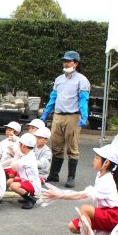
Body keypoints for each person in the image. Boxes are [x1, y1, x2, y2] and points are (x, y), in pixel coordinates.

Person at [42, 144, 118, 235]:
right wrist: (59, 195)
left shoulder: (107, 180)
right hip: (105, 213)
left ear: (106, 163)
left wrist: (59, 195)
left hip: (114, 216)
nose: (94, 160)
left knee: (85, 209)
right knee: (72, 227)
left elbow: (82, 195)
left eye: (97, 158)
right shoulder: (100, 175)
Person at [40, 50, 90, 188]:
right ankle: (54, 175)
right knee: (56, 145)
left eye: (68, 61)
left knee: (72, 147)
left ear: (76, 63)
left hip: (72, 116)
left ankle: (70, 177)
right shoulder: (59, 79)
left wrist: (84, 116)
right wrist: (46, 113)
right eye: (64, 61)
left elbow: (83, 99)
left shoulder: (82, 80)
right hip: (58, 115)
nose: (65, 63)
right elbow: (53, 97)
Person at [8, 133, 42, 209]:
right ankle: (26, 196)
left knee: (13, 186)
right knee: (10, 182)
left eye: (20, 144)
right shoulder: (29, 153)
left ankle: (31, 199)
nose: (19, 146)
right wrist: (15, 139)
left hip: (33, 185)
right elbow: (22, 148)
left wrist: (15, 156)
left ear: (23, 146)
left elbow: (13, 167)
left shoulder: (27, 158)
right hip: (28, 181)